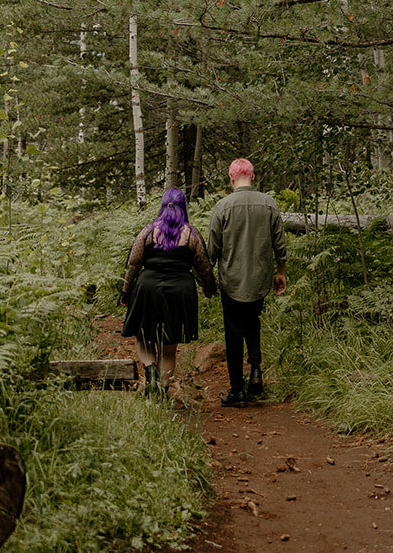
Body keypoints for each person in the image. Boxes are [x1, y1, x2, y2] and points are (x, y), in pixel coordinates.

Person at [207, 157, 287, 407]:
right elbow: (279, 243)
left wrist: (206, 277)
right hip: (259, 279)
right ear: (252, 177)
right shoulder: (269, 203)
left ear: (231, 179)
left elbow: (212, 249)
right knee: (253, 324)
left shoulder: (222, 207)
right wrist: (280, 271)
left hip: (231, 280)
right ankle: (255, 371)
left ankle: (237, 390)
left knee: (233, 333)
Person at [120, 187, 216, 396]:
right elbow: (204, 266)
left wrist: (126, 291)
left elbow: (133, 263)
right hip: (179, 291)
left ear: (163, 206)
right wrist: (209, 287)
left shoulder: (147, 231)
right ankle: (163, 388)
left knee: (143, 336)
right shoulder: (191, 234)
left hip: (148, 288)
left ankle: (151, 374)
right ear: (184, 207)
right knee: (169, 345)